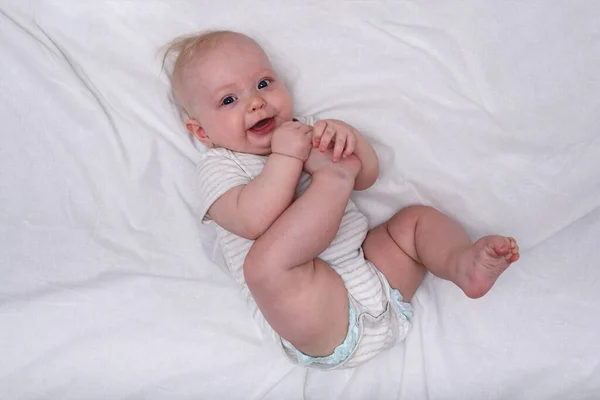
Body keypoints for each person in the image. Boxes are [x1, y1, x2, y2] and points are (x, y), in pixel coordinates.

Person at [162, 30, 520, 369]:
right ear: (201, 132)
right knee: (264, 268)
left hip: (374, 277)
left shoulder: (308, 130)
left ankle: (460, 264)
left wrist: (350, 141)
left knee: (415, 221)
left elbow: (366, 177)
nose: (256, 102)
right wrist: (291, 160)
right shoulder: (220, 165)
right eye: (229, 100)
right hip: (318, 318)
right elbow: (252, 220)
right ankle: (333, 181)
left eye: (263, 83)